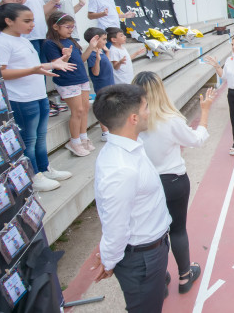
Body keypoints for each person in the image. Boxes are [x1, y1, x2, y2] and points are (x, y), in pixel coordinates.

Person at [90, 84, 172, 313]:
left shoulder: (130, 146)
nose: (150, 112)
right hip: (143, 259)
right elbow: (116, 225)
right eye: (146, 107)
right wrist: (109, 259)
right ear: (134, 118)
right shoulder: (120, 169)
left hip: (151, 249)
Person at [133, 72, 213, 294]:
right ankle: (184, 277)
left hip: (145, 184)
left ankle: (160, 279)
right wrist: (205, 111)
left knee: (154, 234)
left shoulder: (131, 120)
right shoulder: (169, 119)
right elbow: (197, 140)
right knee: (177, 229)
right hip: (173, 180)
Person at [0, 4, 74, 191]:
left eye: (32, 20)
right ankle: (32, 176)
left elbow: (35, 67)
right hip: (21, 99)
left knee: (40, 136)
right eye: (27, 21)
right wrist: (34, 70)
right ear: (8, 21)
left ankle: (44, 168)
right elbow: (2, 73)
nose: (32, 24)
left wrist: (54, 64)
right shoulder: (1, 42)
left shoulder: (23, 40)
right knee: (28, 139)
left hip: (37, 95)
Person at [43, 12, 96, 156]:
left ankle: (84, 138)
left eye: (72, 27)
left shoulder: (71, 40)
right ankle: (75, 141)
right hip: (67, 81)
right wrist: (65, 57)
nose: (71, 29)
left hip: (81, 78)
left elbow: (82, 59)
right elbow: (58, 65)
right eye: (67, 26)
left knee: (85, 108)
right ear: (55, 26)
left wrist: (90, 47)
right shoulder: (50, 43)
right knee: (77, 110)